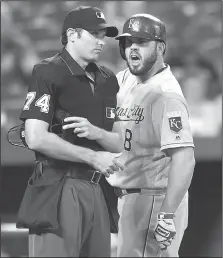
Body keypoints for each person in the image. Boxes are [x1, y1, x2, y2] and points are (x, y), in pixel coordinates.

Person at [18, 6, 123, 257]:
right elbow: (35, 136)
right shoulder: (48, 70)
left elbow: (120, 143)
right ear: (73, 35)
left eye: (103, 35)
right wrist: (93, 156)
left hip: (97, 189)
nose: (101, 42)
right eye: (94, 34)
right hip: (58, 187)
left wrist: (96, 133)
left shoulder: (108, 78)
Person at [106, 13, 196, 257]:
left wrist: (167, 213)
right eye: (127, 43)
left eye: (141, 42)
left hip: (154, 199)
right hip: (131, 198)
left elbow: (184, 158)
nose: (132, 48)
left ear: (160, 47)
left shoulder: (166, 94)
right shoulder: (124, 79)